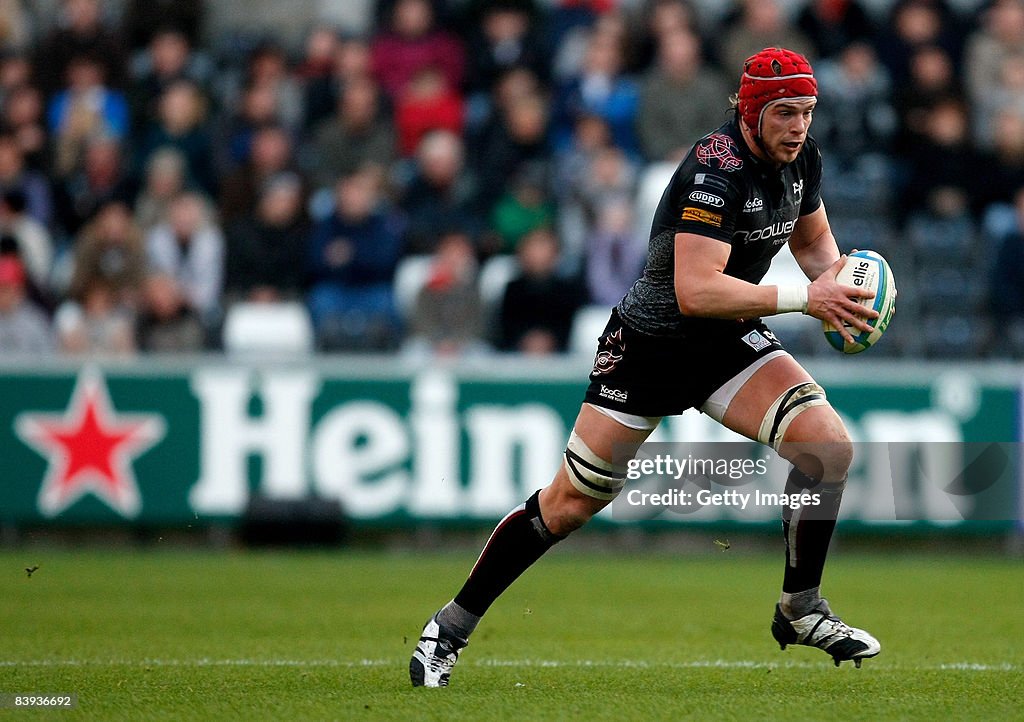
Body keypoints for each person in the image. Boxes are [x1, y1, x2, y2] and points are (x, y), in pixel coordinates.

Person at [410, 47, 882, 688]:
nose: (798, 126)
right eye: (785, 112)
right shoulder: (714, 171)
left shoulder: (802, 159)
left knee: (826, 446)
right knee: (571, 502)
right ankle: (450, 627)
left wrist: (843, 290)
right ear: (751, 111)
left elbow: (809, 241)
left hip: (725, 341)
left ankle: (801, 609)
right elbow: (696, 290)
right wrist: (809, 299)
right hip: (651, 345)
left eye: (806, 111)